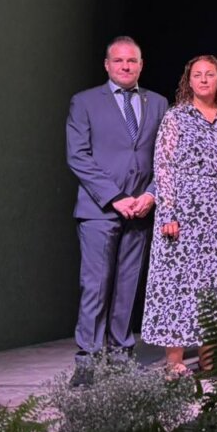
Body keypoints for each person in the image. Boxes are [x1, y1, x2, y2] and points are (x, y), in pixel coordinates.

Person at [65, 36, 168, 387]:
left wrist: (151, 194)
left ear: (141, 65)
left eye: (132, 61)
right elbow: (78, 156)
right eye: (119, 61)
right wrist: (114, 198)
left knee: (127, 285)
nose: (126, 66)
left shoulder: (157, 102)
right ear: (107, 65)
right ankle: (88, 360)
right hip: (99, 209)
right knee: (95, 285)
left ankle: (121, 354)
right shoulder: (85, 102)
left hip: (140, 209)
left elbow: (164, 157)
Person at [141, 55, 217, 375]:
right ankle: (175, 360)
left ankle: (210, 356)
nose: (203, 80)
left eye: (209, 75)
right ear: (189, 80)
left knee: (215, 284)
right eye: (197, 75)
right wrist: (168, 211)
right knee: (178, 283)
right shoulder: (176, 117)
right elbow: (165, 166)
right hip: (183, 209)